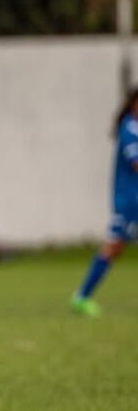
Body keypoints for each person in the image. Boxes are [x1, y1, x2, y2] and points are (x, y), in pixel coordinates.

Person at [72, 88, 138, 317]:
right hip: (130, 201)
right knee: (112, 248)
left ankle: (82, 296)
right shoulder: (130, 128)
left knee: (114, 249)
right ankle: (82, 296)